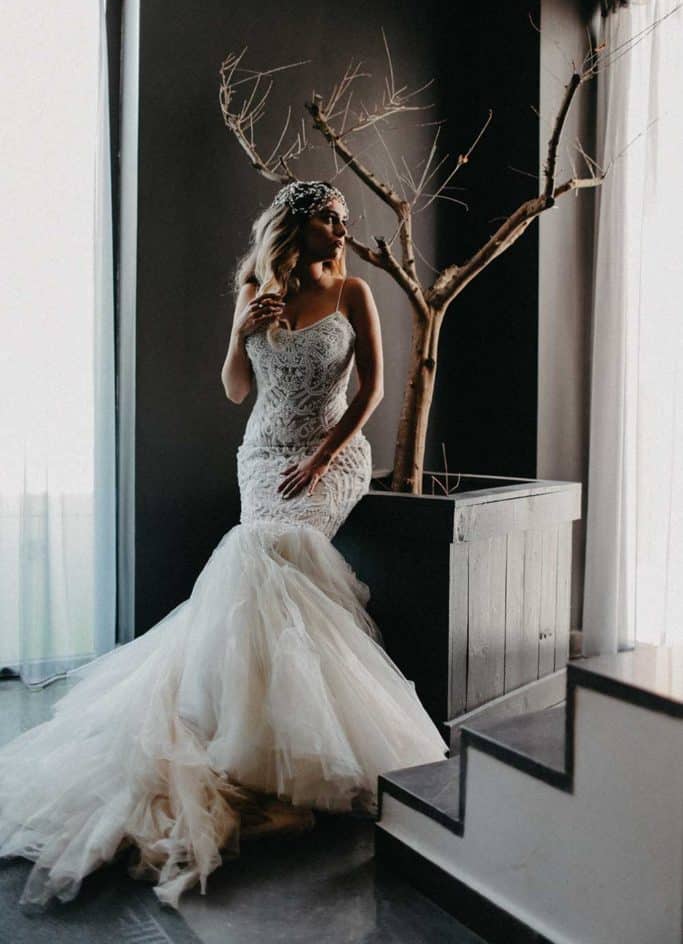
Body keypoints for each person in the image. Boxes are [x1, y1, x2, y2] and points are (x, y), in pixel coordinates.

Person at [0, 180, 448, 913]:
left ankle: (284, 745)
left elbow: (370, 391)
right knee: (252, 561)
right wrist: (241, 332)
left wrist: (325, 457)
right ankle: (231, 733)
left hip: (330, 456)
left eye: (343, 219)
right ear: (295, 225)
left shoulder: (353, 293)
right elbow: (237, 390)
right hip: (262, 456)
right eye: (329, 219)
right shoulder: (253, 291)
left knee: (270, 556)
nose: (342, 230)